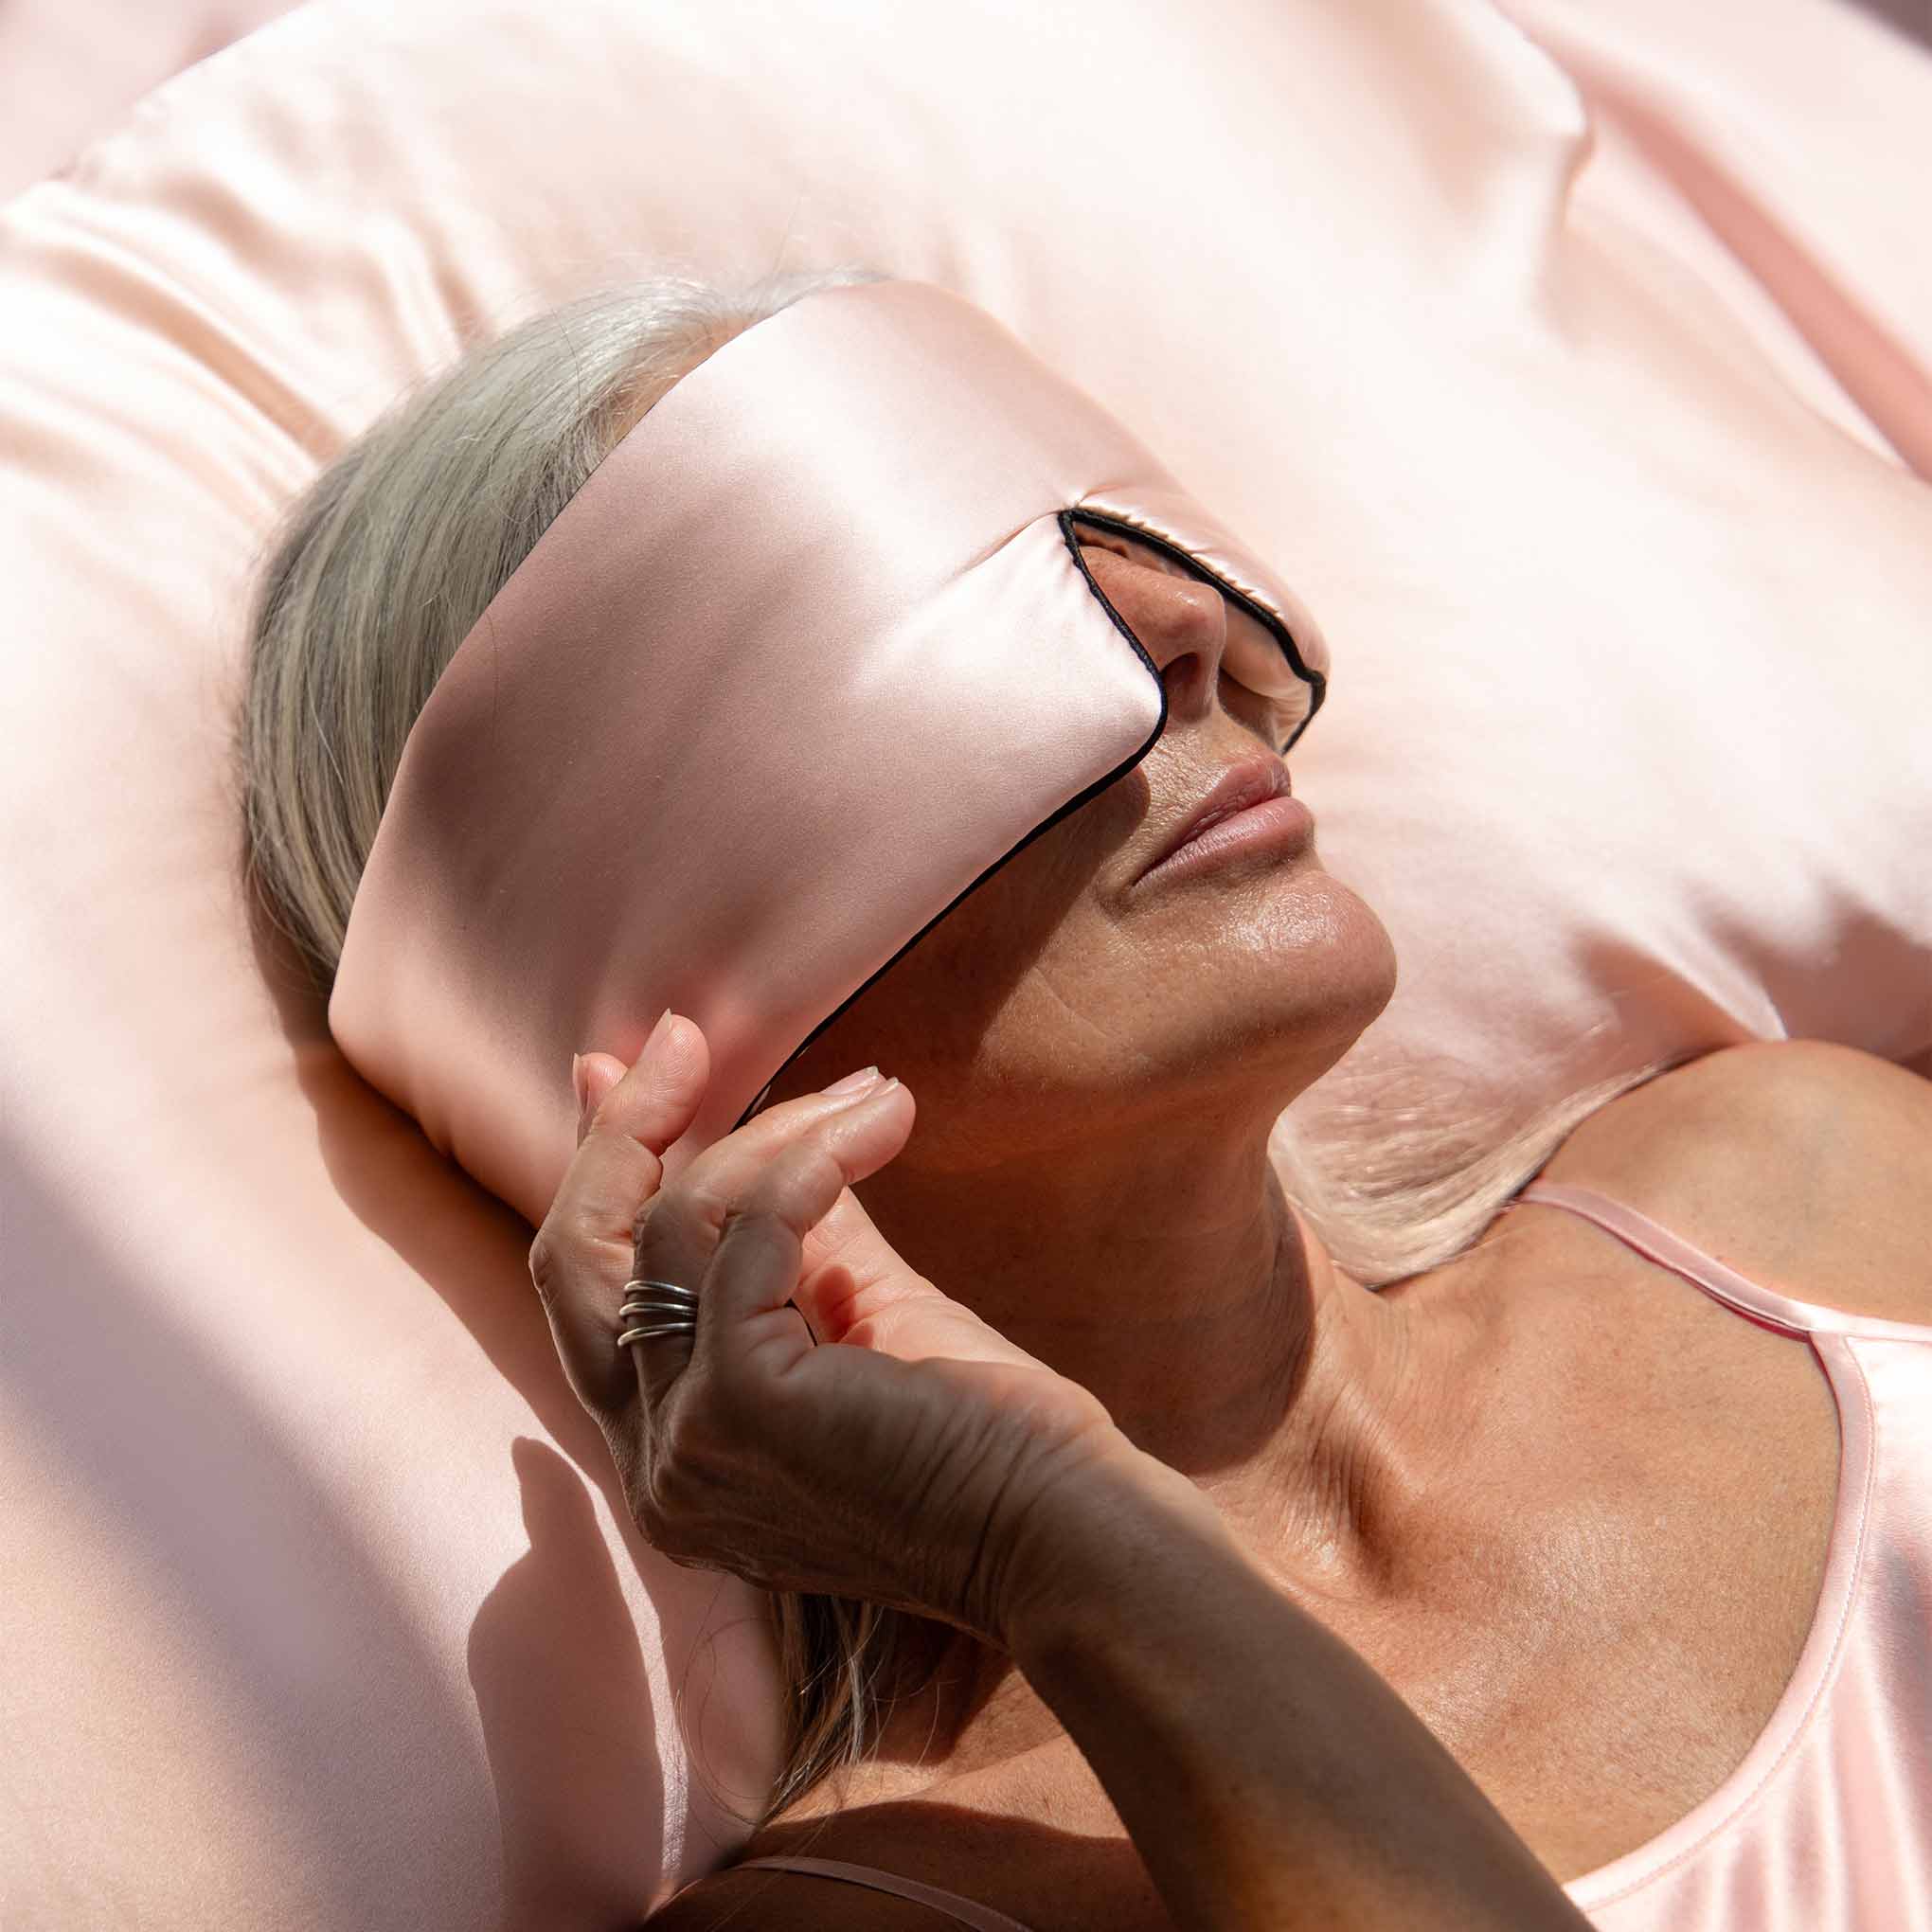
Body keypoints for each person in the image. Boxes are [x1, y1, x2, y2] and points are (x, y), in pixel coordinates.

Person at [242, 268, 1932, 1929]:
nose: (1190, 624)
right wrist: (1051, 1542)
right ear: (626, 994)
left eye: (1107, 537)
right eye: (925, 618)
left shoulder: (1805, 1196)